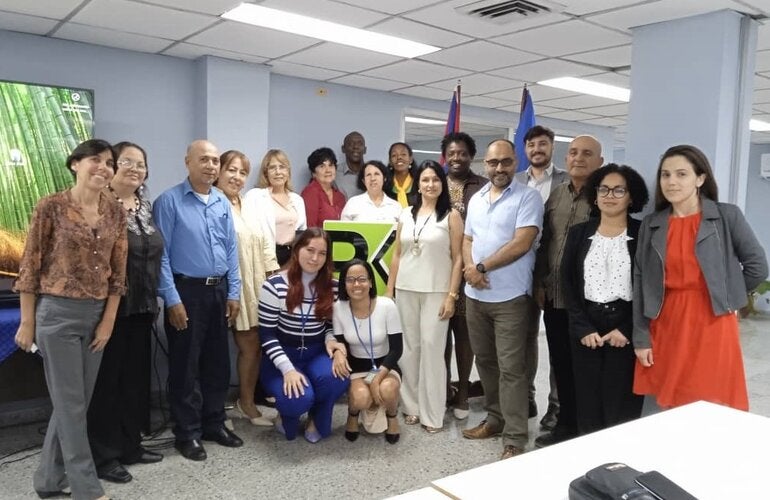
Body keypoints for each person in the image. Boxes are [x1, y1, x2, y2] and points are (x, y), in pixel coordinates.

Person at [14, 139, 127, 500]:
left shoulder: (115, 212)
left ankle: (48, 480)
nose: (103, 168)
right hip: (57, 315)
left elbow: (118, 275)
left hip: (97, 316)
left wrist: (108, 321)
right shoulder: (51, 206)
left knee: (72, 404)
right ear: (75, 164)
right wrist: (27, 322)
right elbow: (29, 266)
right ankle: (85, 488)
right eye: (95, 160)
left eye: (109, 163)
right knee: (72, 405)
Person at [633, 145, 768, 412]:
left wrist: (728, 297)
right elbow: (640, 280)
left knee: (711, 399)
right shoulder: (652, 224)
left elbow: (757, 267)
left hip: (713, 320)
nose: (671, 182)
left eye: (681, 174)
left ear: (700, 178)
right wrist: (641, 338)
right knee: (670, 403)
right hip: (665, 320)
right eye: (665, 175)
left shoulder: (726, 216)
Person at [153, 139, 243, 462]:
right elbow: (160, 256)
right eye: (203, 159)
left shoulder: (221, 201)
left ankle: (213, 423)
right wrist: (172, 299)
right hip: (186, 292)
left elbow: (231, 250)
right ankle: (187, 432)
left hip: (219, 291)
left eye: (215, 160)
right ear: (187, 162)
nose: (211, 166)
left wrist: (234, 291)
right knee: (185, 365)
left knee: (217, 363)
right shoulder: (169, 202)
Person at [461, 139, 543, 461]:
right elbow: (468, 238)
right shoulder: (477, 198)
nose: (499, 168)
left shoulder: (528, 197)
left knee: (512, 369)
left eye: (506, 162)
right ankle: (494, 420)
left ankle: (515, 437)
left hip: (510, 297)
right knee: (486, 362)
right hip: (475, 295)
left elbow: (522, 243)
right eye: (494, 162)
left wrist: (481, 267)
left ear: (515, 163)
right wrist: (470, 269)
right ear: (485, 163)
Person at [87, 142, 164, 485]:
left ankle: (131, 445)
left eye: (141, 163)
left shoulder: (145, 207)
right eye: (127, 162)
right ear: (112, 167)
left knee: (135, 382)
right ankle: (104, 455)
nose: (135, 168)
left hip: (143, 308)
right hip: (108, 311)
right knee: (108, 385)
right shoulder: (99, 206)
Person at [561, 164, 648, 435]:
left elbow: (649, 287)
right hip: (587, 324)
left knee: (620, 401)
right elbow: (569, 283)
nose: (610, 195)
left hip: (625, 324)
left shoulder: (643, 233)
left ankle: (619, 464)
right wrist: (582, 327)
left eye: (619, 190)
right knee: (587, 400)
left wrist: (626, 329)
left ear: (631, 197)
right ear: (595, 195)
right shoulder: (578, 233)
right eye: (604, 189)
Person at [533, 135, 603, 448]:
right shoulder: (556, 196)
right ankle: (565, 425)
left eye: (587, 154)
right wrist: (538, 282)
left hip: (588, 303)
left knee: (584, 369)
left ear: (599, 162)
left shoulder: (604, 198)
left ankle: (584, 428)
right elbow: (544, 242)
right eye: (573, 152)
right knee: (561, 365)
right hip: (553, 297)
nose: (578, 158)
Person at [386, 160, 463, 433]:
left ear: (442, 184)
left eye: (436, 180)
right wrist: (388, 292)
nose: (430, 185)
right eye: (425, 180)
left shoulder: (451, 216)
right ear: (418, 183)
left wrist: (452, 295)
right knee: (409, 351)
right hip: (406, 289)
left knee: (431, 350)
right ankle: (412, 407)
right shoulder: (406, 214)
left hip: (436, 291)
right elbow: (397, 255)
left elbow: (458, 259)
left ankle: (433, 414)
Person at [258, 228, 349, 442]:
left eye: (322, 253)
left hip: (316, 352)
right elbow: (267, 335)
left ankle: (316, 418)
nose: (315, 258)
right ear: (297, 250)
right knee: (297, 399)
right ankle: (287, 415)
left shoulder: (333, 287)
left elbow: (329, 327)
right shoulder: (274, 286)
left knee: (338, 375)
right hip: (282, 355)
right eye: (310, 250)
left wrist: (334, 345)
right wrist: (287, 370)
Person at [214, 150, 278, 426]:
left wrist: (274, 278)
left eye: (242, 172)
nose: (237, 177)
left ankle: (246, 403)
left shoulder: (248, 203)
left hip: (254, 285)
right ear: (219, 171)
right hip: (222, 285)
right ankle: (213, 412)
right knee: (213, 353)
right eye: (232, 170)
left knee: (253, 347)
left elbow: (264, 242)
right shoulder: (213, 203)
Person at [515, 124, 569, 430]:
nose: (537, 149)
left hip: (552, 272)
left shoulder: (565, 181)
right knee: (524, 338)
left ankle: (557, 405)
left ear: (551, 147)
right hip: (519, 270)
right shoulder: (515, 181)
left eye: (543, 144)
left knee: (557, 340)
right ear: (525, 149)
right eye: (532, 145)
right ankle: (527, 397)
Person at [440, 132, 486, 421]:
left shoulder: (482, 186)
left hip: (469, 269)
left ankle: (464, 392)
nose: (456, 158)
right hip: (438, 271)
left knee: (465, 334)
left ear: (471, 155)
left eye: (462, 153)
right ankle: (443, 387)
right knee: (440, 335)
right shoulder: (434, 182)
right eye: (451, 153)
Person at [332, 259, 403, 444]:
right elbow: (340, 343)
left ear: (371, 282)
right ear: (344, 284)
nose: (356, 284)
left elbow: (397, 349)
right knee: (362, 398)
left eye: (362, 279)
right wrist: (338, 354)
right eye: (350, 280)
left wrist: (377, 378)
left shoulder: (387, 306)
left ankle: (392, 415)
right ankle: (353, 414)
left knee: (387, 389)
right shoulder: (338, 308)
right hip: (357, 367)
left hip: (386, 364)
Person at [243, 149, 307, 268]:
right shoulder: (255, 196)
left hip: (293, 257)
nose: (278, 172)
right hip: (267, 257)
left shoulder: (297, 199)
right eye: (272, 168)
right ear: (266, 173)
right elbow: (248, 233)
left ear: (288, 172)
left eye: (282, 167)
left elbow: (302, 231)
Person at [301, 147, 346, 227]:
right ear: (313, 173)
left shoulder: (340, 197)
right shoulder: (310, 193)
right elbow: (310, 228)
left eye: (331, 165)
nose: (328, 170)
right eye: (322, 166)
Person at [336, 131, 367, 198]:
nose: (356, 146)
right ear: (343, 149)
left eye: (360, 143)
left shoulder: (374, 173)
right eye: (351, 143)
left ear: (365, 150)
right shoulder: (333, 173)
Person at [386, 142, 418, 207]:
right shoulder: (384, 185)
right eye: (394, 155)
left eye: (403, 154)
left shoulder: (419, 183)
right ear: (390, 161)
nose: (399, 157)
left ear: (411, 159)